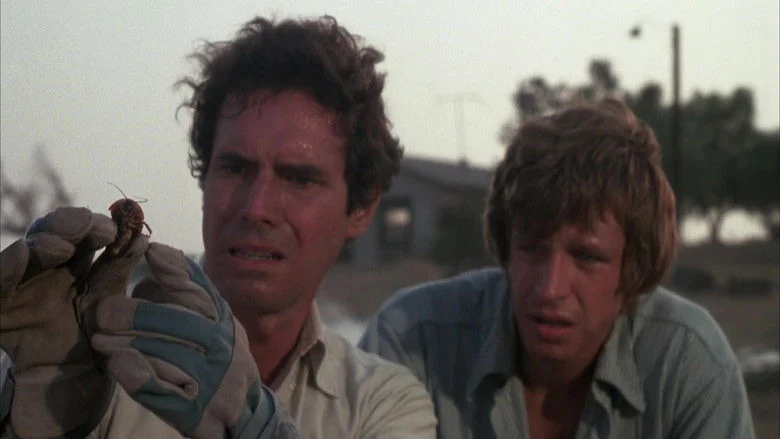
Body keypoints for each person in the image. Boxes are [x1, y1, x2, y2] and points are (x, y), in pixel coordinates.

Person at [0, 15, 436, 439]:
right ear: (204, 178)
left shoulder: (383, 403)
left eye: (300, 179)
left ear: (360, 209)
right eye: (235, 168)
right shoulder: (87, 357)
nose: (256, 207)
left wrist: (255, 426)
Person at [359, 98, 756, 438]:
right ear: (506, 248)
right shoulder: (414, 340)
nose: (550, 289)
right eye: (532, 249)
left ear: (633, 268)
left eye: (587, 257)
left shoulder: (686, 363)